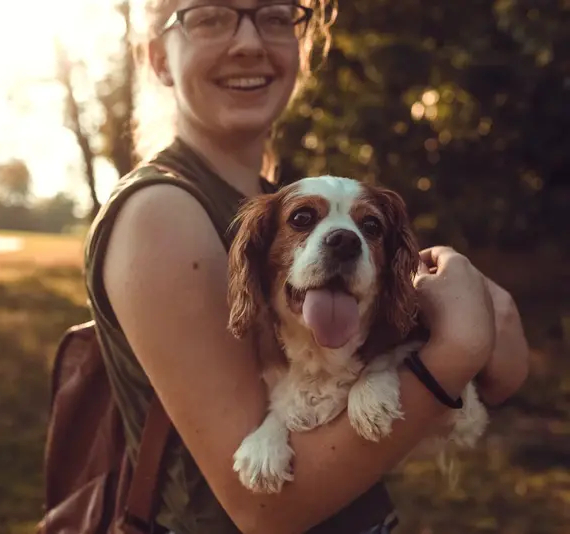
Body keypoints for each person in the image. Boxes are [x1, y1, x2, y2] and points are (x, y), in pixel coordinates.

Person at [83, 1, 530, 533]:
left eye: (274, 16)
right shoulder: (162, 211)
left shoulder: (285, 204)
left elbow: (501, 378)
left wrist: (489, 333)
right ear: (157, 57)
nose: (249, 42)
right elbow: (262, 509)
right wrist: (456, 351)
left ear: (303, 46)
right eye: (209, 16)